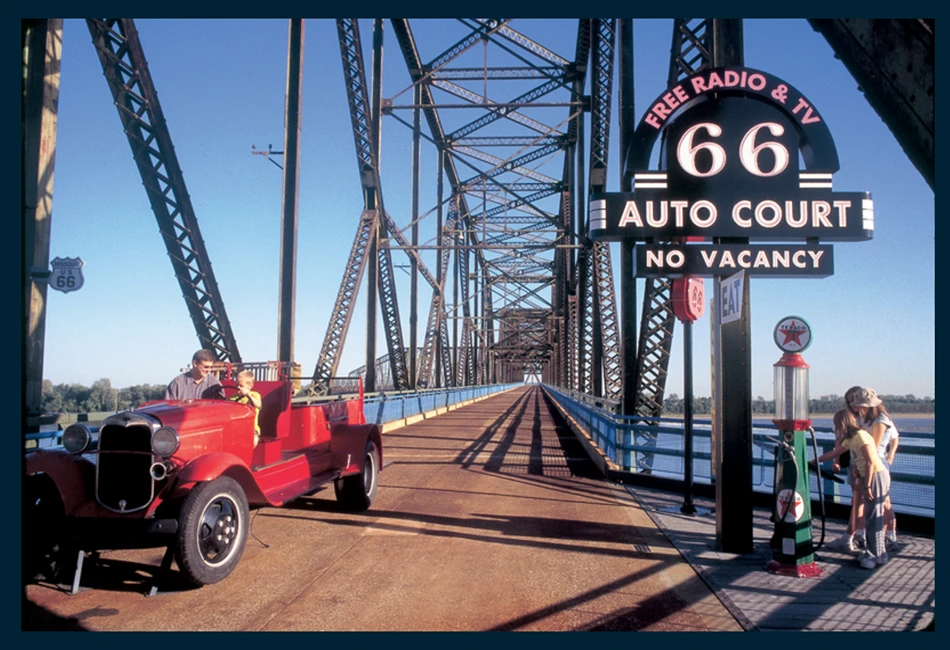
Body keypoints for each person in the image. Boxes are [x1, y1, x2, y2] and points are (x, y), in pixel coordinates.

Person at [818, 407, 891, 569]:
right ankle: (879, 553)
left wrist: (867, 486)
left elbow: (871, 461)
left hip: (876, 475)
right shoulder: (851, 439)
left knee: (873, 516)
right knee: (873, 515)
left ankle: (873, 554)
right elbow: (835, 452)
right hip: (870, 475)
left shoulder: (861, 436)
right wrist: (814, 461)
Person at [852, 388, 901, 551]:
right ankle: (867, 537)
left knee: (882, 502)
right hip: (863, 461)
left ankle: (888, 538)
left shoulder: (881, 419)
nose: (858, 408)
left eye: (861, 405)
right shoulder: (862, 417)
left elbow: (872, 446)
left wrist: (891, 455)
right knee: (865, 501)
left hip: (876, 462)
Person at [826, 385, 866, 551]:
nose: (852, 404)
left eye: (854, 400)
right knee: (858, 500)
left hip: (862, 464)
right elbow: (840, 441)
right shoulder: (848, 420)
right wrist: (836, 460)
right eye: (849, 401)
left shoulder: (866, 421)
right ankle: (859, 534)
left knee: (861, 500)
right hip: (854, 462)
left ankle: (856, 535)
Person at [229, 370, 262, 447]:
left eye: (241, 386)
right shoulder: (233, 397)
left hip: (251, 428)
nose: (238, 387)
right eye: (237, 385)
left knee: (253, 440)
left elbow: (258, 405)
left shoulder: (255, 395)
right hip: (235, 428)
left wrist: (248, 395)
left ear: (250, 386)